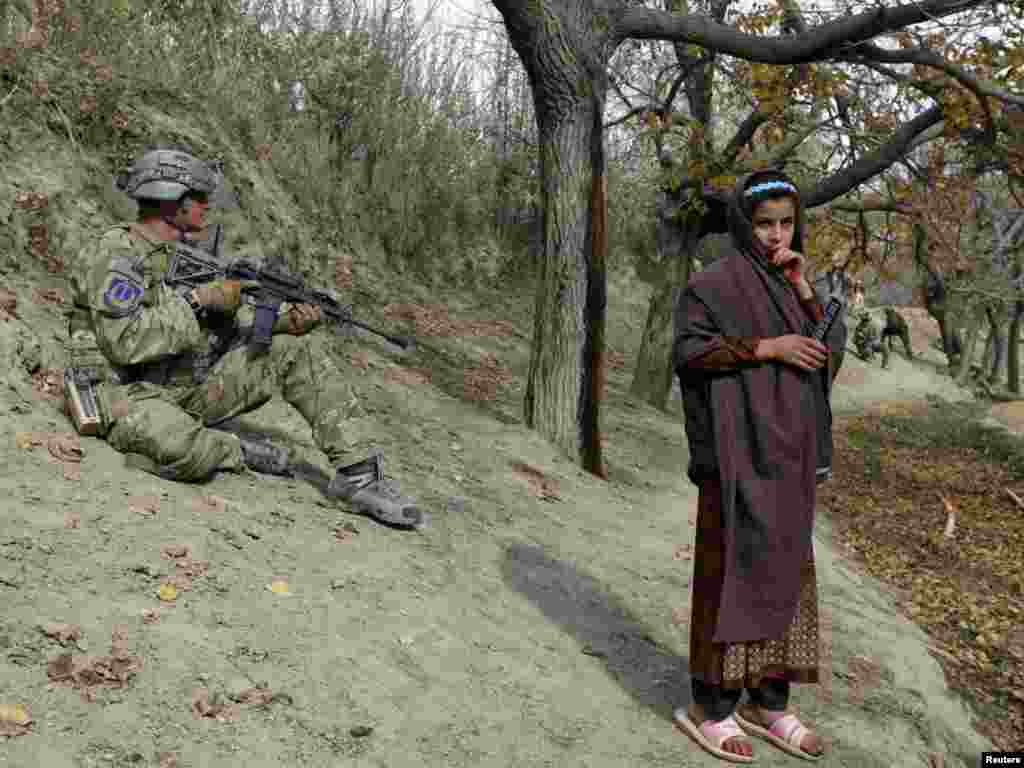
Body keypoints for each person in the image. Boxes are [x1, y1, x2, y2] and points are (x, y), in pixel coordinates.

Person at [66, 148, 423, 528]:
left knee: (292, 349)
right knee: (179, 446)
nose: (206, 207)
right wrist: (198, 299)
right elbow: (125, 342)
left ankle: (359, 477)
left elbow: (223, 328)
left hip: (185, 387)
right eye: (199, 199)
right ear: (172, 199)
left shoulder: (186, 256)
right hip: (129, 394)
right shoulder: (117, 254)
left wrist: (286, 324)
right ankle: (235, 449)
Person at [672, 170, 845, 763]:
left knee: (785, 573)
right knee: (731, 573)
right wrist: (765, 347)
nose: (775, 236)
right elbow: (690, 351)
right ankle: (710, 705)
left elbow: (829, 353)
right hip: (735, 451)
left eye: (786, 223)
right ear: (744, 224)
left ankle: (769, 700)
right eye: (765, 223)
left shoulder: (794, 282)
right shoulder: (711, 285)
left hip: (790, 454)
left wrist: (802, 289)